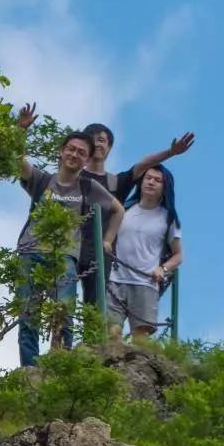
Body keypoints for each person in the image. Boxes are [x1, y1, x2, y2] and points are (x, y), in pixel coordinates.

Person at [14, 128, 123, 363]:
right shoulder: (42, 180)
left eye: (81, 152)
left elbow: (118, 210)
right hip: (30, 252)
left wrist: (107, 240)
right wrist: (21, 129)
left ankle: (60, 365)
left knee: (64, 315)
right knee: (27, 315)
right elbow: (17, 160)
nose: (75, 154)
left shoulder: (88, 188)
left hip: (65, 256)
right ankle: (30, 371)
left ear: (86, 160)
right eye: (71, 149)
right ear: (62, 152)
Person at [76, 120, 194, 312]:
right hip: (71, 247)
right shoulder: (73, 178)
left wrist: (170, 152)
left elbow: (142, 165)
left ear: (109, 148)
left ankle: (91, 344)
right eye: (93, 139)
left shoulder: (115, 183)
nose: (98, 144)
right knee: (61, 304)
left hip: (100, 253)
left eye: (103, 140)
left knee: (95, 310)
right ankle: (60, 342)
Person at [106, 165, 183, 341]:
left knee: (141, 338)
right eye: (148, 178)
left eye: (157, 180)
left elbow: (178, 255)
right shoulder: (124, 210)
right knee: (111, 334)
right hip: (116, 279)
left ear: (165, 187)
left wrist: (162, 269)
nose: (151, 182)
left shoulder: (169, 218)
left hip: (145, 283)